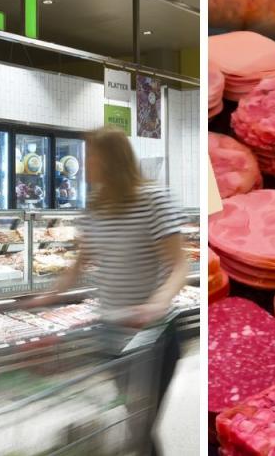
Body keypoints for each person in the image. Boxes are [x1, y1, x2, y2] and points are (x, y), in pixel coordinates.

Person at [47, 127, 188, 455]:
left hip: (152, 336)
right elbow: (80, 264)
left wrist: (157, 303)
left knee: (141, 426)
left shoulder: (154, 199)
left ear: (112, 159)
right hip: (111, 333)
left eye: (91, 155)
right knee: (133, 420)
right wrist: (47, 299)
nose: (85, 164)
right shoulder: (96, 206)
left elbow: (179, 265)